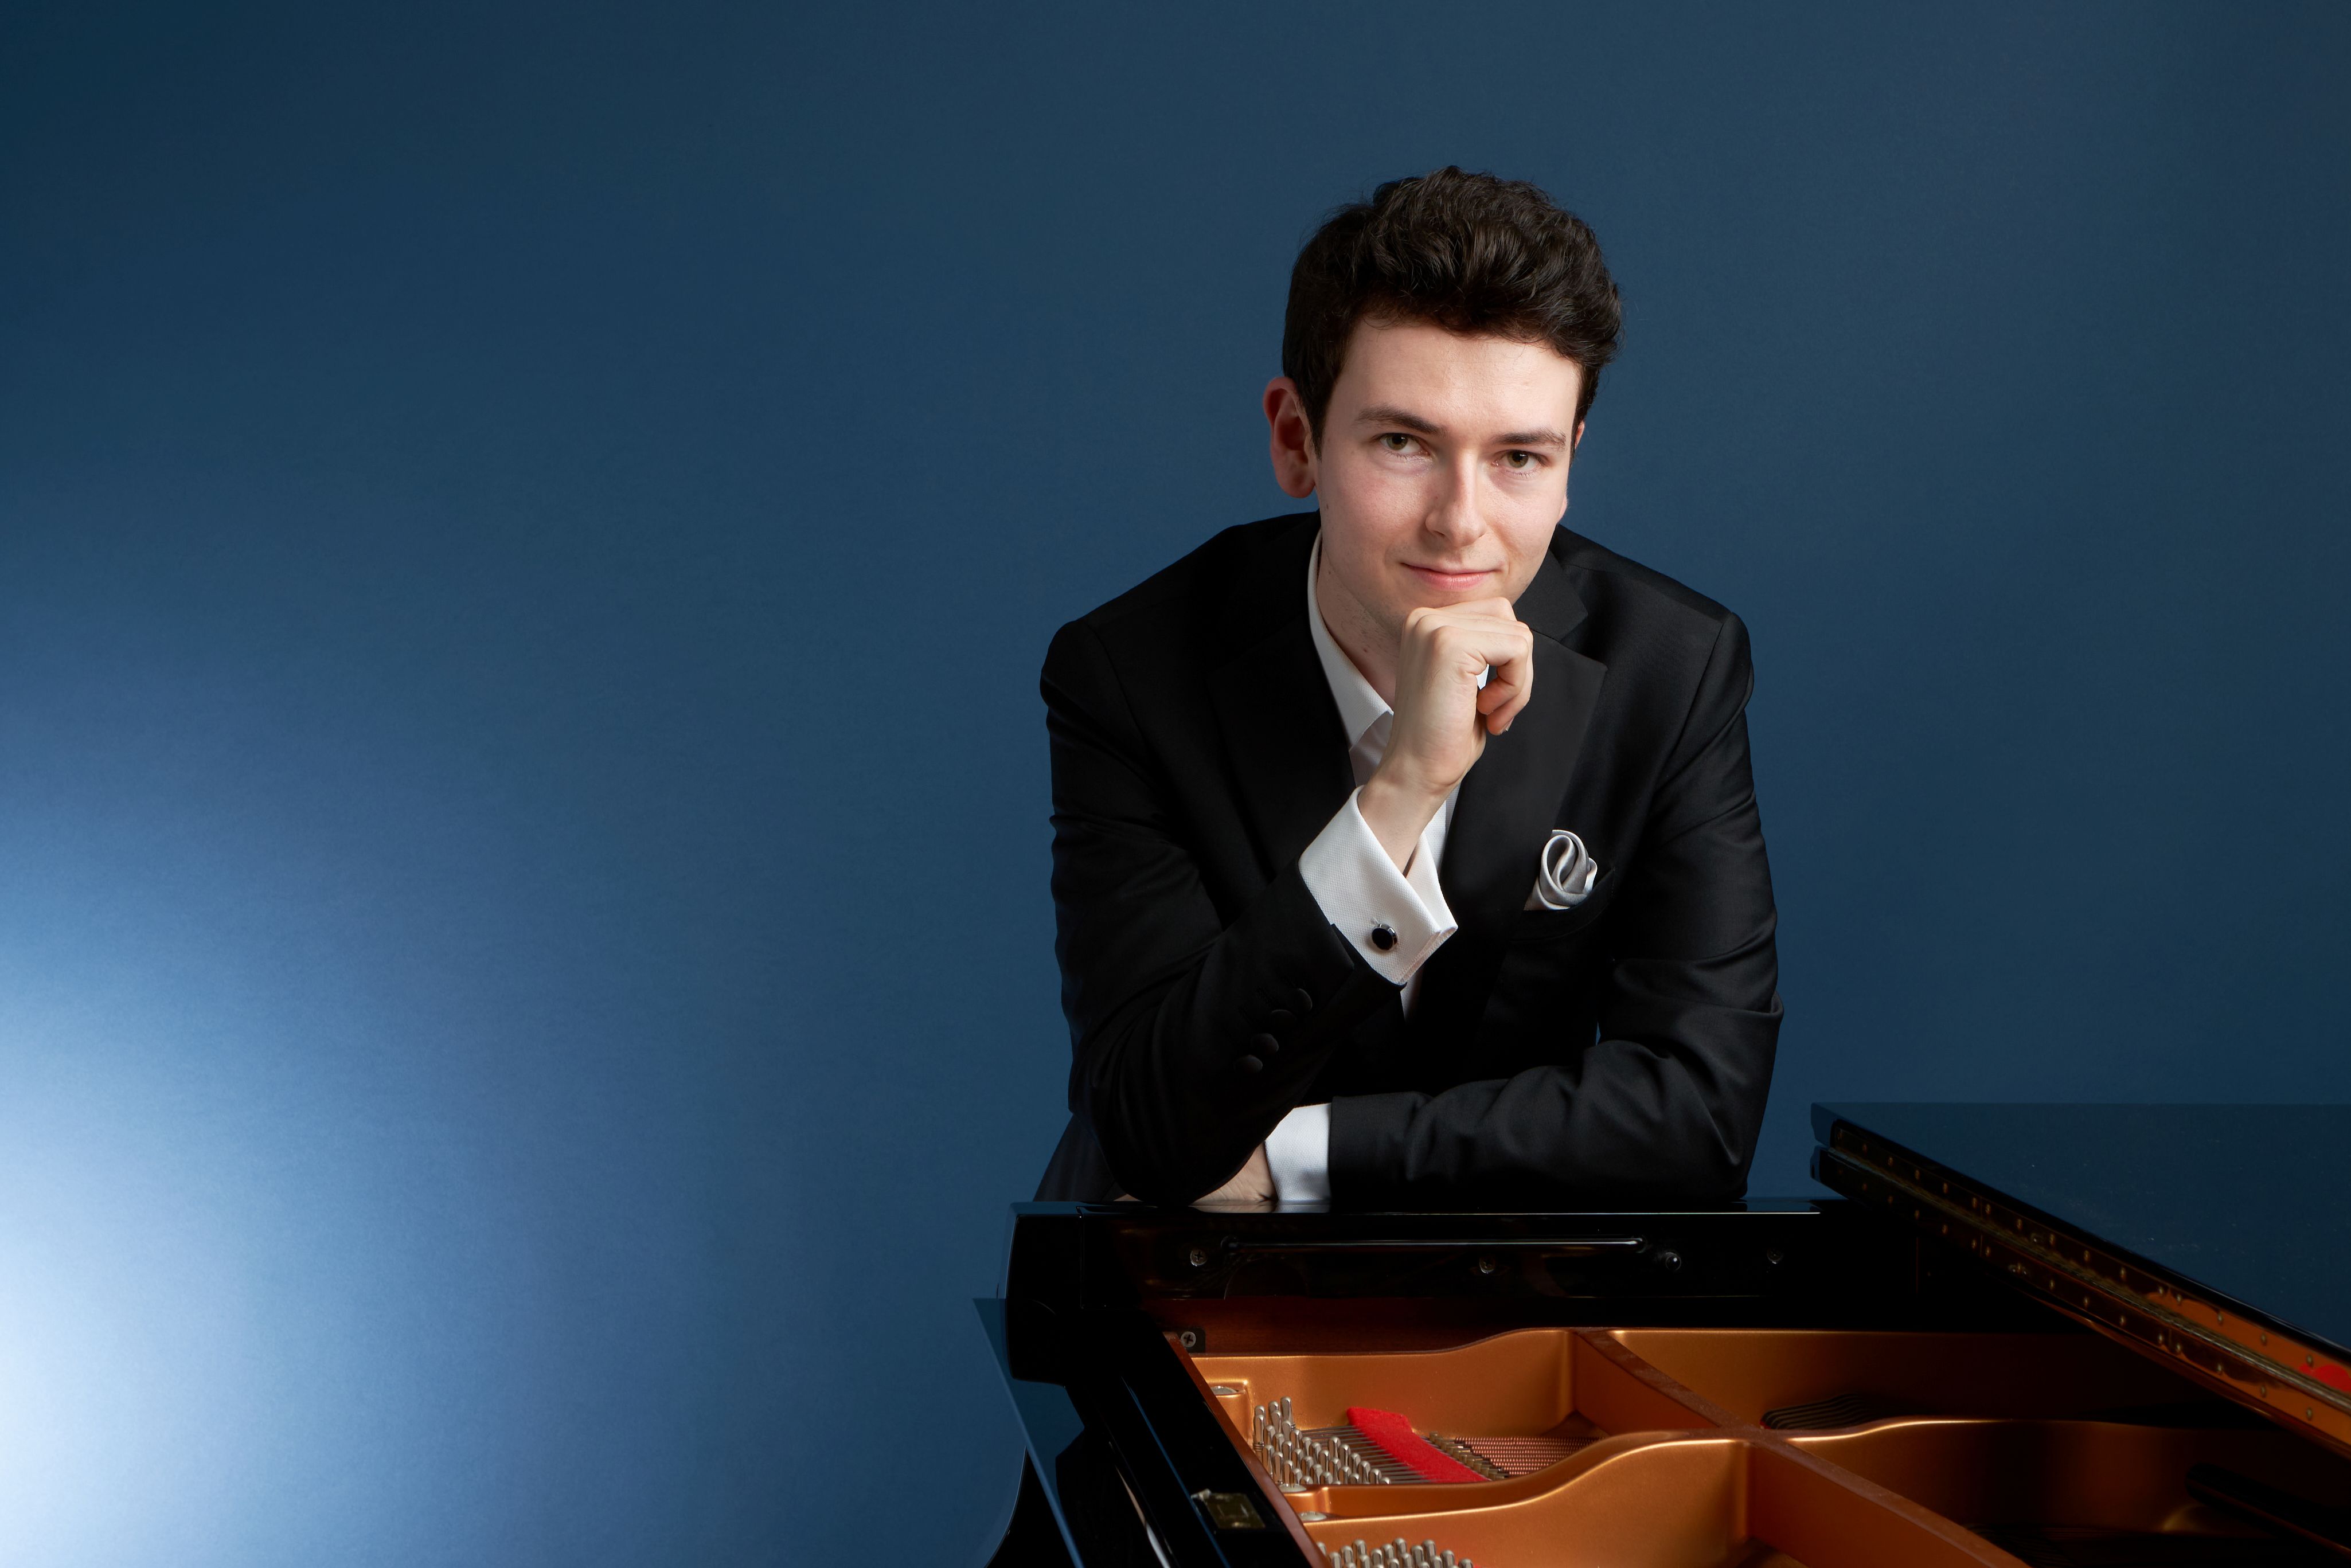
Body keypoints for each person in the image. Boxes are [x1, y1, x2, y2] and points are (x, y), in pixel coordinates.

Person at [1035, 167, 1780, 1208]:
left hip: (1513, 1281)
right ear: (1297, 439)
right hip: (1185, 1274)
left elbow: (1700, 1113)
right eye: (1403, 443)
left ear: (1571, 458)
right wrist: (1401, 794)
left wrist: (1306, 1156)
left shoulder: (1673, 668)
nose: (1460, 521)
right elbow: (1152, 1129)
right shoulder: (1130, 673)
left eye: (1519, 457)